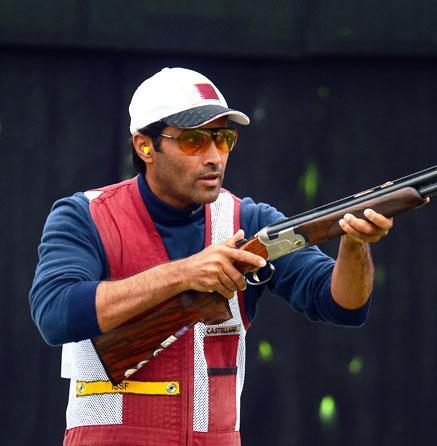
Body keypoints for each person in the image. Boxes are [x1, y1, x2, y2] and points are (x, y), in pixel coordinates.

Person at [29, 67, 393, 446]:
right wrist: (185, 273)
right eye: (193, 141)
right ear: (145, 146)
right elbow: (55, 314)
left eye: (223, 139)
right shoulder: (85, 214)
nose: (214, 156)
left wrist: (354, 243)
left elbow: (343, 307)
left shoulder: (250, 220)